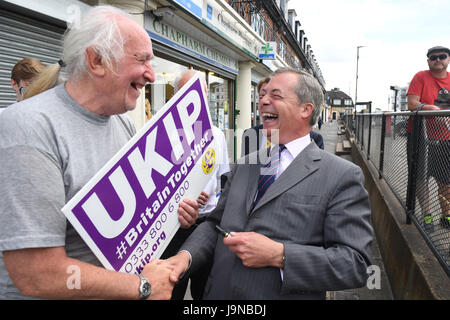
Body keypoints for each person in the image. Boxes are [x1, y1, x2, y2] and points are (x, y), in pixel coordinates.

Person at [0, 5, 199, 300]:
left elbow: (137, 222)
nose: (151, 74)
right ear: (97, 60)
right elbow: (37, 274)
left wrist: (174, 213)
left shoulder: (121, 122)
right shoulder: (29, 128)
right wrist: (142, 287)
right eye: (142, 60)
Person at [161, 67, 373, 300]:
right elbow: (214, 226)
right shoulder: (245, 165)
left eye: (276, 95)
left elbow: (356, 264)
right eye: (262, 95)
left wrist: (280, 255)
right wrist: (184, 257)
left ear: (305, 109)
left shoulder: (342, 175)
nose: (263, 101)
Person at [161, 70, 230, 300]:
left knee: (205, 292)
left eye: (202, 90)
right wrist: (185, 197)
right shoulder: (163, 136)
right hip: (174, 229)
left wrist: (213, 197)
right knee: (173, 289)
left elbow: (224, 180)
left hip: (207, 227)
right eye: (189, 91)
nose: (196, 96)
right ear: (177, 96)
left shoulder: (217, 135)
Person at [407, 45, 450, 230]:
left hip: (445, 138)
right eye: (433, 57)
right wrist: (429, 108)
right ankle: (427, 216)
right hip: (420, 136)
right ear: (428, 61)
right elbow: (411, 104)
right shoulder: (420, 76)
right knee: (421, 178)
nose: (438, 60)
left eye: (442, 56)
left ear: (448, 59)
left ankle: (446, 216)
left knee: (446, 180)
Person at [241, 76, 324, 157]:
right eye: (261, 96)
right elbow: (245, 169)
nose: (265, 101)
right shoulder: (250, 135)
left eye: (275, 96)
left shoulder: (313, 139)